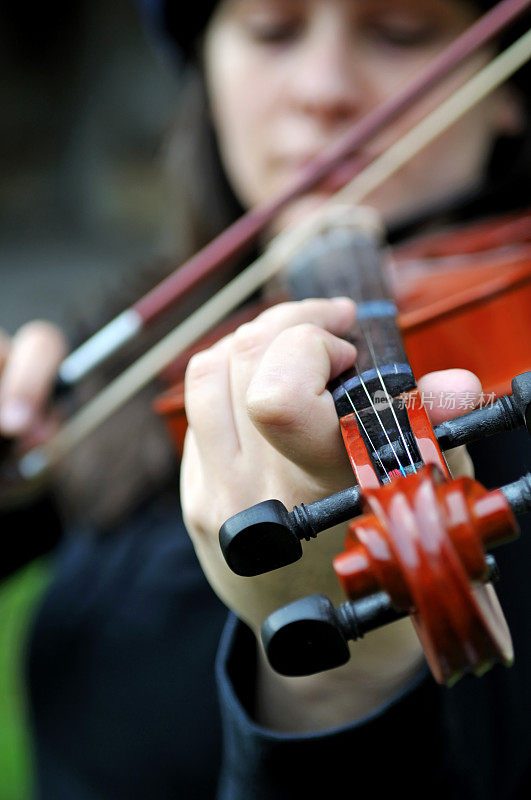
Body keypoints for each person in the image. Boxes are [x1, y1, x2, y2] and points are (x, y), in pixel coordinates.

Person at [0, 0, 529, 797]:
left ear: (505, 86)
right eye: (271, 30)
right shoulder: (148, 346)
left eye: (401, 32)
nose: (322, 90)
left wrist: (338, 691)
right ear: (206, 69)